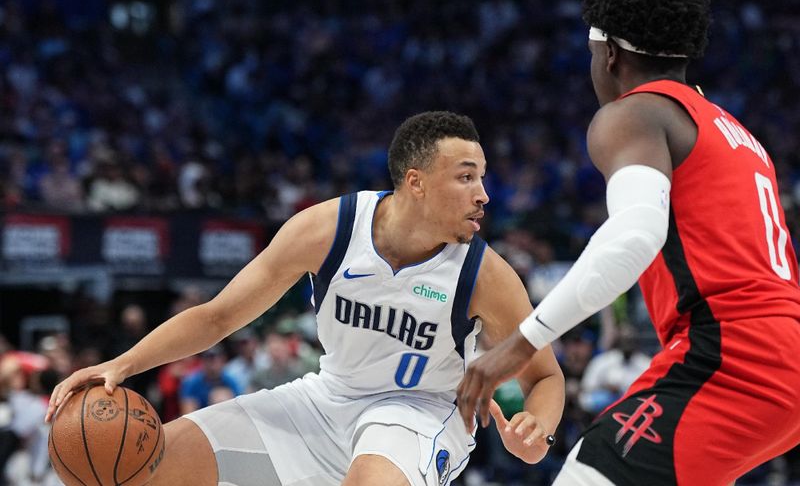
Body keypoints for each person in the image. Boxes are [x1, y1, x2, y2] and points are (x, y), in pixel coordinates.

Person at [46, 111, 565, 486]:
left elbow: (545, 375)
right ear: (417, 183)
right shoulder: (328, 229)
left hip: (419, 412)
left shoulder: (484, 274)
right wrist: (123, 364)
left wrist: (536, 430)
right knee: (146, 467)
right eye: (466, 177)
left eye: (483, 178)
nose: (484, 195)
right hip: (324, 400)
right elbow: (218, 316)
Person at [456, 0, 800, 486]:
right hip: (779, 355)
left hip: (731, 356)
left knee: (587, 474)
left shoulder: (632, 113)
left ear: (609, 54)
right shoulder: (737, 133)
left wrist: (519, 346)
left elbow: (635, 235)